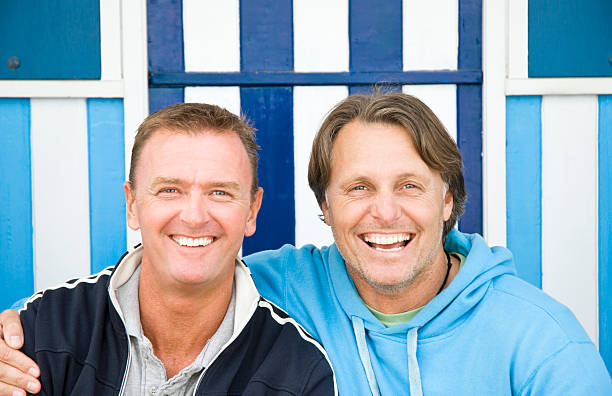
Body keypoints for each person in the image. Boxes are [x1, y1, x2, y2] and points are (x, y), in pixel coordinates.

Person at [1, 92, 610, 394]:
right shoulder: (280, 285)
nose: (385, 212)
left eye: (410, 185)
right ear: (324, 208)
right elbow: (181, 260)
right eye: (358, 187)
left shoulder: (541, 342)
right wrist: (16, 334)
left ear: (449, 200)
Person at [0, 103, 335, 395]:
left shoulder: (298, 368)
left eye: (219, 192)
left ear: (252, 210)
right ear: (132, 204)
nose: (194, 216)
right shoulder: (48, 328)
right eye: (170, 190)